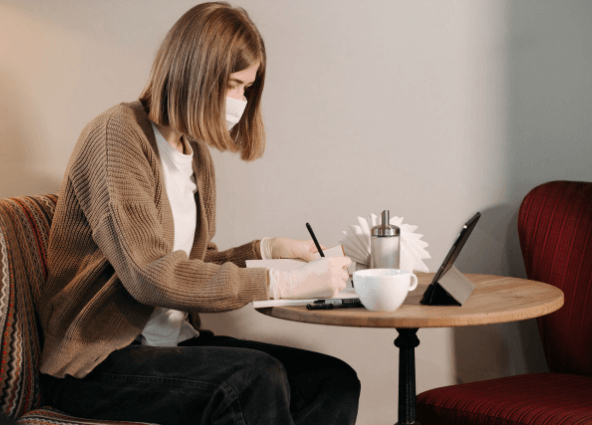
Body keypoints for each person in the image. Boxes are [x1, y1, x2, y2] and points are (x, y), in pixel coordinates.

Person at [37, 2, 360, 425]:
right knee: (253, 379)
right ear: (195, 72)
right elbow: (149, 274)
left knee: (333, 380)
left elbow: (190, 266)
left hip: (173, 345)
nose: (240, 101)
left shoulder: (195, 154)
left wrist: (271, 249)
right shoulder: (117, 134)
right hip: (98, 362)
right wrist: (282, 282)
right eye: (233, 85)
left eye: (247, 88)